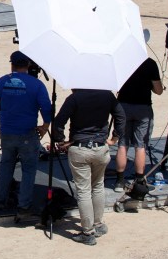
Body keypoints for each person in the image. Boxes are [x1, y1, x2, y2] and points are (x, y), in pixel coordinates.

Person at [52, 88, 125, 245]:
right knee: (98, 186)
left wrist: (60, 141)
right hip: (100, 147)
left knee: (84, 190)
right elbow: (121, 116)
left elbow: (59, 121)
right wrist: (115, 137)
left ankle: (87, 231)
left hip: (80, 148)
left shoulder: (75, 98)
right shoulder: (107, 95)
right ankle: (98, 224)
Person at [0, 51, 52, 216]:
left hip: (7, 132)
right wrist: (45, 126)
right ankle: (23, 205)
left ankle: (1, 201)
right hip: (27, 133)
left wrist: (6, 113)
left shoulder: (2, 81)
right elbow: (46, 108)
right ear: (29, 64)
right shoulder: (36, 85)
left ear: (12, 64)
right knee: (29, 169)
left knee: (6, 165)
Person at [114, 56, 163, 191]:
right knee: (140, 145)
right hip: (143, 107)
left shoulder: (121, 60)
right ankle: (139, 180)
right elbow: (159, 90)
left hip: (123, 106)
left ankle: (119, 181)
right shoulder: (150, 63)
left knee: (122, 144)